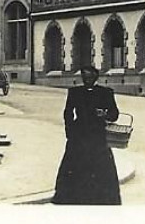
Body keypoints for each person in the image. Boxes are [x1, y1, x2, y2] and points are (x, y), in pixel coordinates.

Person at [52, 66, 122, 205]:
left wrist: (105, 114)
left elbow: (114, 114)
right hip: (79, 136)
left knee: (100, 167)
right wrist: (70, 131)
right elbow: (68, 113)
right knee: (74, 165)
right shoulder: (74, 92)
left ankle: (100, 198)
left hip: (98, 136)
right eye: (84, 77)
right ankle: (72, 197)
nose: (86, 80)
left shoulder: (106, 93)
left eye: (89, 77)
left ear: (96, 77)